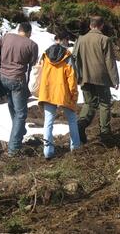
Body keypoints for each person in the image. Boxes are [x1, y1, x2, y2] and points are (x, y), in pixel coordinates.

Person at [0, 22, 38, 157]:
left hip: (3, 78)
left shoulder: (6, 37)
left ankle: (18, 131)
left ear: (18, 29)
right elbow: (33, 63)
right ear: (29, 32)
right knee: (21, 114)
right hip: (18, 80)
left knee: (13, 106)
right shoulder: (32, 45)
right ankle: (13, 149)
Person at [73, 16, 119, 144]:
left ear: (90, 26)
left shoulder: (80, 39)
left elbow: (75, 58)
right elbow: (110, 61)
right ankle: (105, 132)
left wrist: (77, 76)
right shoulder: (105, 39)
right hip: (101, 78)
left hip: (85, 77)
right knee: (104, 104)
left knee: (88, 103)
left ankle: (80, 125)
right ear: (102, 26)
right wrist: (115, 79)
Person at [38, 31, 80, 159]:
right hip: (63, 92)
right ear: (66, 40)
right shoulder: (67, 55)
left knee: (48, 122)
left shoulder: (45, 54)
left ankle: (48, 152)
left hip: (47, 91)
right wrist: (74, 95)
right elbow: (72, 78)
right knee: (72, 120)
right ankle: (76, 147)